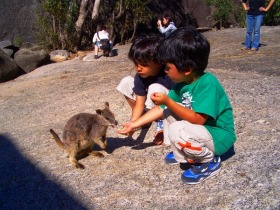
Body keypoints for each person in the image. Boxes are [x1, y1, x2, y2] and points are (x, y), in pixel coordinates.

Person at [118, 26, 236, 185]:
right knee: (168, 112)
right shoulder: (182, 84)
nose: (165, 71)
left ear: (186, 69)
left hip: (219, 137)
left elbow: (198, 120)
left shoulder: (208, 83)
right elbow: (160, 109)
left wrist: (168, 102)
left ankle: (209, 161)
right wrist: (134, 124)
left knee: (176, 128)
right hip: (203, 133)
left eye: (167, 67)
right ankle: (185, 149)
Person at [116, 34, 175, 145]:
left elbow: (177, 101)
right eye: (136, 63)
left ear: (158, 62)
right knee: (126, 82)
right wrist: (133, 124)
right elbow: (139, 102)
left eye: (143, 64)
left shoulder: (169, 74)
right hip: (151, 104)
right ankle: (143, 119)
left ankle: (161, 124)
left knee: (154, 88)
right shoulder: (140, 76)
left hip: (167, 106)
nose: (138, 68)